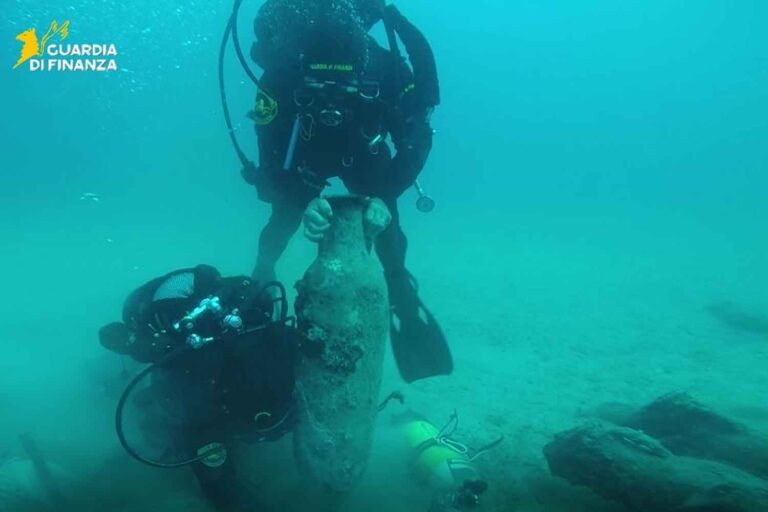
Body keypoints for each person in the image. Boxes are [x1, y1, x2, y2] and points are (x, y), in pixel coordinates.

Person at [242, 0, 452, 383]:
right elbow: (270, 154)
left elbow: (417, 135)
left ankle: (399, 287)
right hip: (306, 156)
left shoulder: (385, 68)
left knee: (386, 222)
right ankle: (262, 273)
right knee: (284, 217)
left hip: (364, 151)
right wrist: (301, 198)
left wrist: (386, 194)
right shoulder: (283, 71)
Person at [99, 265, 297, 511]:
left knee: (208, 459)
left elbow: (188, 385)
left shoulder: (175, 332)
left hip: (230, 395)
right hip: (266, 383)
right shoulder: (233, 319)